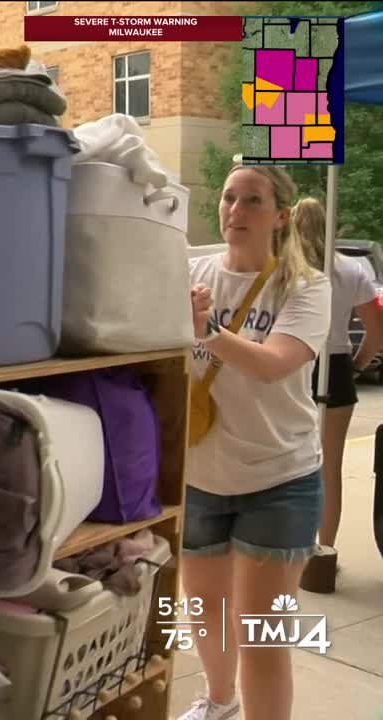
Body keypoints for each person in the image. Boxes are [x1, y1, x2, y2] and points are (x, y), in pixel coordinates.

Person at [178, 164, 331, 720]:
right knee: (206, 615)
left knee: (261, 635)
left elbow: (273, 365)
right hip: (201, 479)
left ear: (281, 216)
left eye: (252, 201)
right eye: (228, 198)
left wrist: (208, 332)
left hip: (279, 480)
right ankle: (217, 702)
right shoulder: (189, 270)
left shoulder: (306, 286)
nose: (235, 212)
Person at [291, 197, 383, 592]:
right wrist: (358, 366)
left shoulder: (287, 268)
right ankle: (323, 553)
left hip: (295, 363)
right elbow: (376, 332)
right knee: (330, 466)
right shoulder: (353, 268)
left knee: (290, 464)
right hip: (339, 365)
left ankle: (289, 549)